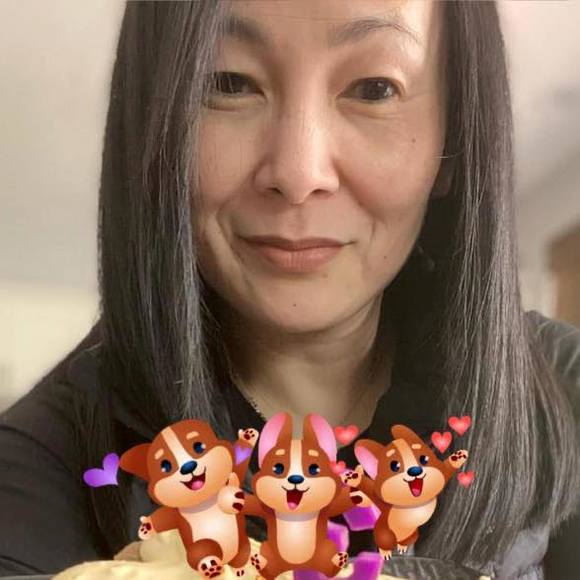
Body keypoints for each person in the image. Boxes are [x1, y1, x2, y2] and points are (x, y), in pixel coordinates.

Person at [0, 1, 578, 578]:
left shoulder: (563, 386)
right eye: (229, 83)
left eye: (374, 89)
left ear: (454, 138)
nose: (299, 174)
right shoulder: (34, 471)